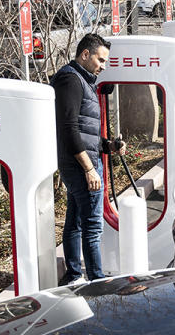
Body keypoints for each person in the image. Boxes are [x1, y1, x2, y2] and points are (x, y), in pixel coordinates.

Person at [52, 33, 125, 285]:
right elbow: (69, 128)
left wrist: (109, 146)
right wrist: (88, 169)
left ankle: (74, 275)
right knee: (93, 226)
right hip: (81, 165)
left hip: (83, 161)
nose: (103, 66)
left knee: (75, 221)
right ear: (85, 54)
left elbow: (85, 131)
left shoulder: (82, 80)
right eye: (100, 60)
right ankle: (97, 280)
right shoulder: (70, 80)